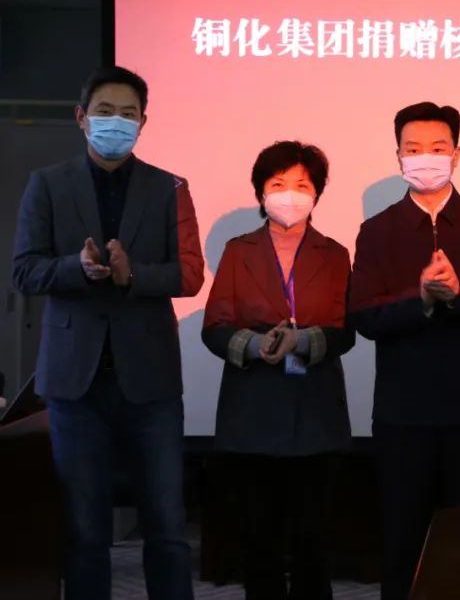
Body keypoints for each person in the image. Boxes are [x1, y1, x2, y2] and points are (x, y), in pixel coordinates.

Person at [12, 66, 204, 600]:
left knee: (166, 526)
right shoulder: (47, 184)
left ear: (143, 122)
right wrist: (75, 268)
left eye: (127, 114)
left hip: (150, 381)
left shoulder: (169, 187)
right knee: (84, 529)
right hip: (75, 383)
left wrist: (133, 274)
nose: (115, 122)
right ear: (81, 117)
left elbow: (190, 274)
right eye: (104, 112)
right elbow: (24, 270)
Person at [347, 102, 460, 600]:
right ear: (398, 156)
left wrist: (459, 294)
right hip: (403, 412)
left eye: (437, 148)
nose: (425, 158)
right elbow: (365, 317)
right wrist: (420, 299)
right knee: (403, 540)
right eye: (414, 149)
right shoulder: (378, 229)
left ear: (457, 154)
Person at [202, 140, 353, 600]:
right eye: (278, 183)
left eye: (302, 185)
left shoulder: (334, 253)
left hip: (316, 413)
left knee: (313, 541)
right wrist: (255, 345)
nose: (290, 194)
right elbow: (215, 328)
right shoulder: (238, 251)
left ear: (317, 193)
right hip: (252, 412)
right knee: (259, 541)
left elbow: (345, 331)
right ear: (261, 192)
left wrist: (301, 341)